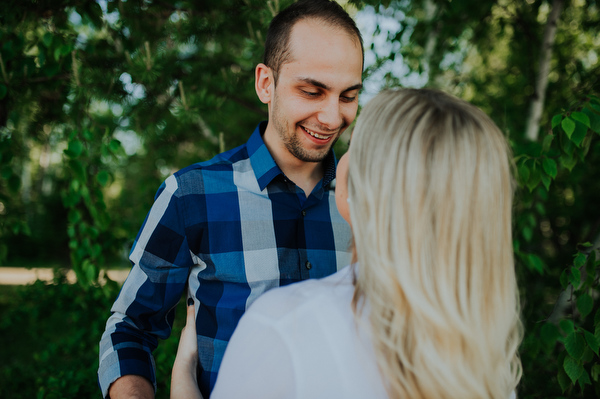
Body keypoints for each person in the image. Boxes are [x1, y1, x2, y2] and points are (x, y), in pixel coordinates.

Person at [172, 88, 524, 398]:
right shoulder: (489, 362)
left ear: (358, 188)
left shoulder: (282, 328)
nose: (332, 122)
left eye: (355, 145)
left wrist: (184, 371)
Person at [98, 1, 364, 398]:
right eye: (312, 91)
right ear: (265, 84)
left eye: (348, 96)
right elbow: (130, 329)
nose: (331, 117)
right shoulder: (192, 194)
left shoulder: (373, 202)